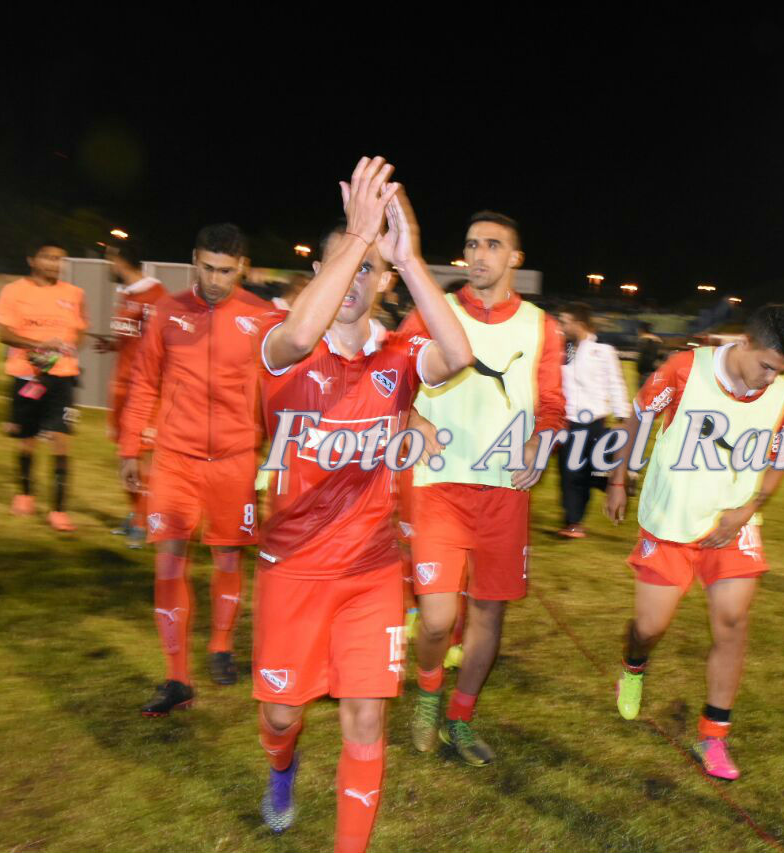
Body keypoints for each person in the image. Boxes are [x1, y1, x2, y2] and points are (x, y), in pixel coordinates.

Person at [252, 158, 471, 852]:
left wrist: (406, 258)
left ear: (379, 284)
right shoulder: (283, 348)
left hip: (371, 570)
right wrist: (354, 241)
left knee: (365, 721)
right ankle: (281, 769)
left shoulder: (398, 354)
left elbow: (458, 355)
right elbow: (295, 332)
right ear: (320, 272)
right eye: (343, 266)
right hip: (291, 567)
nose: (354, 281)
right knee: (284, 716)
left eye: (368, 271)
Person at [605, 304, 784, 781]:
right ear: (745, 344)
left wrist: (749, 508)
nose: (771, 379)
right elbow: (639, 418)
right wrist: (619, 476)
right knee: (650, 627)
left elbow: (778, 457)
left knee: (732, 621)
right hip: (670, 520)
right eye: (767, 367)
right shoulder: (684, 369)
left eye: (780, 372)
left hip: (732, 526)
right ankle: (634, 666)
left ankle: (713, 735)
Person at [402, 210, 566, 766]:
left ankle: (460, 719)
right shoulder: (432, 311)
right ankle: (427, 694)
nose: (478, 255)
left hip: (503, 494)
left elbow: (552, 405)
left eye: (492, 245)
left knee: (489, 616)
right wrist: (413, 420)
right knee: (439, 618)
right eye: (472, 244)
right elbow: (389, 378)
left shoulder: (544, 326)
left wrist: (540, 442)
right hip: (438, 487)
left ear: (514, 259)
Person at [119, 223, 272, 715]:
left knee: (228, 560)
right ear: (193, 260)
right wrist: (129, 449)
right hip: (175, 459)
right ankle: (176, 677)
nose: (214, 280)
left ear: (242, 268)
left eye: (226, 271)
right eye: (206, 268)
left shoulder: (262, 317)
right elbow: (144, 381)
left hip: (234, 461)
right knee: (169, 562)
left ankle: (221, 645)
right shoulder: (167, 311)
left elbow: (281, 391)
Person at [0, 241, 87, 532]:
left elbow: (79, 332)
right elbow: (2, 332)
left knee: (61, 440)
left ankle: (58, 510)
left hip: (62, 377)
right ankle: (25, 494)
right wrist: (37, 346)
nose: (53, 263)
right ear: (32, 259)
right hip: (26, 375)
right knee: (27, 438)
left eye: (59, 259)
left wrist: (66, 349)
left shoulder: (75, 294)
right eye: (47, 257)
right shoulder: (13, 291)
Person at [98, 239, 167, 547]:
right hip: (121, 388)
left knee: (139, 457)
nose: (107, 266)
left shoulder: (156, 296)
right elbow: (133, 339)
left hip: (143, 391)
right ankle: (135, 513)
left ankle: (145, 521)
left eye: (108, 259)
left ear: (120, 260)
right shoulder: (126, 295)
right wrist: (112, 344)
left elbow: (161, 346)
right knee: (124, 455)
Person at [556, 301, 630, 537]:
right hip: (568, 421)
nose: (562, 327)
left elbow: (615, 383)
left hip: (594, 422)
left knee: (589, 471)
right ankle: (574, 523)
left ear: (580, 324)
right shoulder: (564, 351)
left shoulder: (603, 352)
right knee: (570, 473)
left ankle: (617, 483)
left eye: (565, 322)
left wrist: (622, 415)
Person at [635, 320, 663, 388]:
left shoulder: (643, 339)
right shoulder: (658, 340)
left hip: (645, 370)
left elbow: (642, 357)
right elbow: (660, 356)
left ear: (641, 330)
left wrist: (639, 370)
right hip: (656, 370)